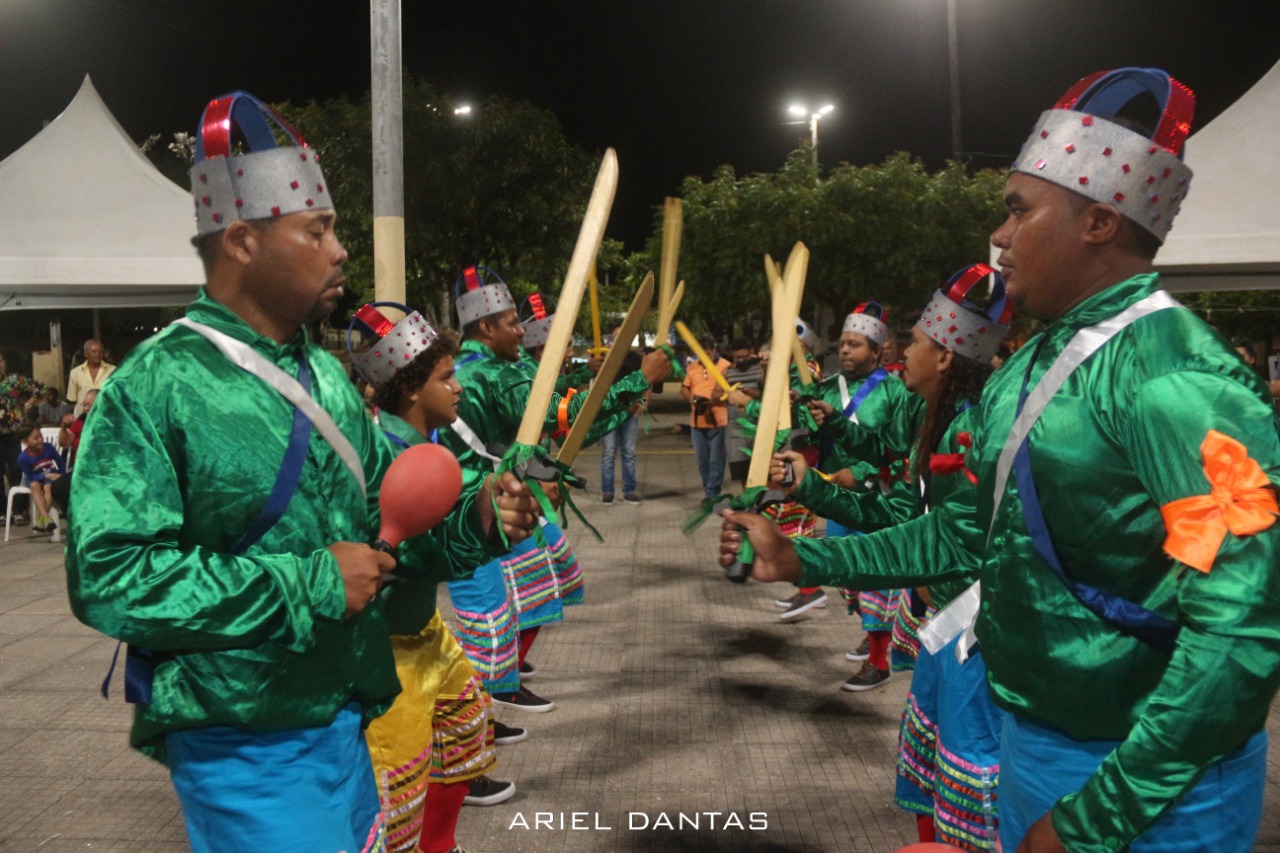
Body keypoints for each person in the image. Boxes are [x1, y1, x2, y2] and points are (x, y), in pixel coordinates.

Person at [723, 68, 1280, 853]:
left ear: (1096, 219)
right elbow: (958, 536)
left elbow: (1240, 633)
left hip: (1149, 785)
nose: (1001, 237)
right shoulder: (1032, 365)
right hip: (1037, 743)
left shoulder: (1178, 380)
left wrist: (1096, 817)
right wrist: (803, 554)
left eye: (1019, 210)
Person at [65, 92, 537, 853]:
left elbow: (394, 531)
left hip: (347, 717)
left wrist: (479, 520)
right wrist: (309, 582)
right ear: (243, 241)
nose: (340, 249)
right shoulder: (154, 386)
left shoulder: (325, 381)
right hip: (240, 737)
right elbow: (109, 575)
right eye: (317, 230)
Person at [769, 264, 1011, 849]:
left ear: (948, 359)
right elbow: (901, 514)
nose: (905, 357)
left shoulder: (972, 433)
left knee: (970, 777)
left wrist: (802, 559)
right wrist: (811, 486)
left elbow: (928, 540)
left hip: (979, 635)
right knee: (933, 768)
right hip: (944, 625)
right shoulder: (942, 420)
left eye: (919, 346)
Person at [440, 266, 669, 715]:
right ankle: (478, 717)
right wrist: (636, 380)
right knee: (488, 620)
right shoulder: (491, 375)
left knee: (535, 587)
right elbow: (566, 416)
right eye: (512, 322)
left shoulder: (489, 368)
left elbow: (554, 414)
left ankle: (496, 690)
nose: (522, 331)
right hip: (475, 513)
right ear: (486, 327)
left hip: (492, 504)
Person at [350, 304, 522, 852]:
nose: (459, 388)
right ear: (409, 388)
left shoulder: (431, 443)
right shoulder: (383, 454)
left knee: (464, 731)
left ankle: (440, 846)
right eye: (446, 379)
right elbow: (421, 550)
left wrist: (503, 498)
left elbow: (472, 485)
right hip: (386, 651)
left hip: (426, 632)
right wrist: (486, 518)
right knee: (398, 788)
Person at [681, 334, 731, 501]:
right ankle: (709, 490)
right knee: (702, 461)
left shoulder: (725, 366)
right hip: (697, 421)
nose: (704, 357)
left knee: (716, 459)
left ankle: (712, 493)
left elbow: (729, 391)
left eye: (707, 353)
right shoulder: (692, 366)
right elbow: (685, 388)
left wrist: (713, 400)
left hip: (718, 419)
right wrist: (692, 401)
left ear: (714, 350)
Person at [0, 351, 46, 525]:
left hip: (14, 432)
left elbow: (41, 388)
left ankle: (19, 511)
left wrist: (28, 404)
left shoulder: (14, 381)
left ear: (4, 363)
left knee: (16, 470)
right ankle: (2, 513)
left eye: (0, 361)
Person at [600, 347, 645, 504]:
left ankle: (629, 491)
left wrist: (642, 402)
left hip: (630, 411)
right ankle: (607, 491)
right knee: (609, 453)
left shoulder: (635, 358)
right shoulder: (607, 358)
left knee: (628, 452)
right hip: (610, 412)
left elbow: (645, 379)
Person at [723, 337, 764, 488]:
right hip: (736, 429)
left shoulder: (761, 369)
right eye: (737, 357)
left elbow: (772, 394)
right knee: (742, 472)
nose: (741, 361)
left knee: (762, 471)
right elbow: (714, 395)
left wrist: (755, 394)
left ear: (751, 354)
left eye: (744, 357)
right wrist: (728, 394)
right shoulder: (728, 371)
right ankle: (749, 502)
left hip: (758, 427)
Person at [15, 421, 65, 534]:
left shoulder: (49, 448)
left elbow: (60, 463)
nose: (40, 440)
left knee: (48, 487)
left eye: (40, 436)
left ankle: (42, 519)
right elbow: (31, 476)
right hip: (34, 478)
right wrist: (44, 475)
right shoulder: (22, 458)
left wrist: (61, 476)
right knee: (34, 485)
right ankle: (44, 518)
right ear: (25, 441)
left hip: (50, 477)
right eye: (35, 438)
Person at [65, 338, 116, 407]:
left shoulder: (113, 370)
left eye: (100, 351)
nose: (98, 354)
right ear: (86, 354)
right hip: (83, 415)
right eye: (94, 351)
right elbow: (72, 400)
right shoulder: (75, 373)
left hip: (104, 415)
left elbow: (117, 396)